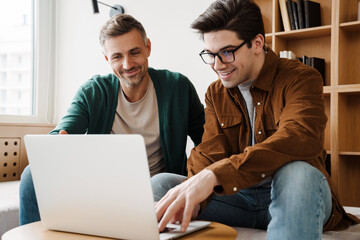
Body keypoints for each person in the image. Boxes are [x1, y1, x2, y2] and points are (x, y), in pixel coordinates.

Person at [154, 0, 360, 239]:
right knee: (162, 185)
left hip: (292, 195)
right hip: (238, 200)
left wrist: (215, 175)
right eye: (210, 55)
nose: (217, 65)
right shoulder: (215, 93)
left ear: (257, 43)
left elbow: (299, 138)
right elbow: (209, 152)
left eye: (226, 53)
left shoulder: (301, 78)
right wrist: (195, 190)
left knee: (298, 174)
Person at [19, 14, 204, 225]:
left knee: (160, 184)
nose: (127, 64)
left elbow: (208, 141)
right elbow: (63, 132)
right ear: (107, 58)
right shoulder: (93, 91)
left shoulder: (177, 87)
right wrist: (59, 144)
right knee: (32, 174)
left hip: (157, 190)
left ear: (148, 48)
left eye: (134, 52)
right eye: (117, 56)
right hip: (102, 189)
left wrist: (195, 177)